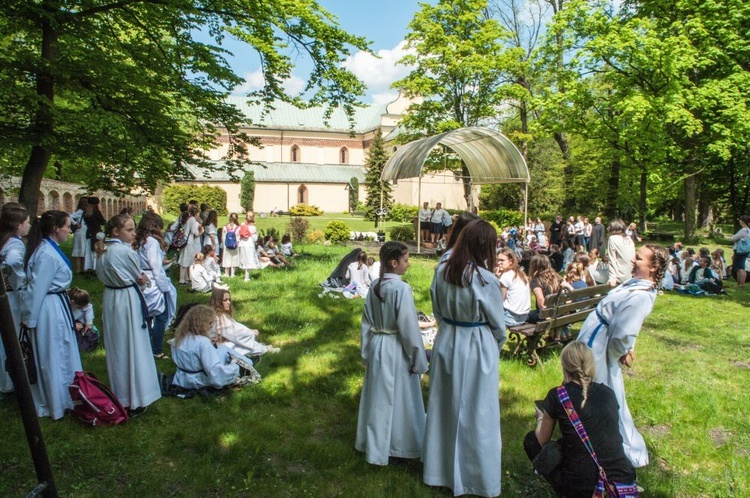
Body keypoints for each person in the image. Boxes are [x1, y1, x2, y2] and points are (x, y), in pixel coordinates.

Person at [423, 219, 506, 497]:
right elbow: (498, 324)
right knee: (477, 410)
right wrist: (495, 345)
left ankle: (440, 470)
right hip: (476, 344)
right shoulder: (485, 279)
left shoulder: (442, 270)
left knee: (445, 404)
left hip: (448, 339)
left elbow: (436, 307)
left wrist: (448, 327)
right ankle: (475, 477)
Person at [576, 244, 669, 468]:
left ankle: (611, 444)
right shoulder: (636, 284)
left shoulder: (642, 296)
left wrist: (618, 352)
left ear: (654, 267)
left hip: (600, 347)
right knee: (591, 391)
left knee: (600, 394)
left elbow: (624, 333)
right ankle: (583, 433)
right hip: (598, 339)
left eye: (638, 258)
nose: (632, 260)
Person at [525, 342, 636, 498]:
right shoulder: (608, 393)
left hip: (582, 484)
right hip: (622, 478)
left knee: (531, 441)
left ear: (564, 366)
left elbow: (541, 441)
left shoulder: (558, 395)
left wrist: (541, 418)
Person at [355, 241, 428, 466]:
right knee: (400, 397)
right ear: (394, 263)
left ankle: (377, 443)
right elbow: (409, 329)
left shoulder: (376, 286)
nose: (409, 264)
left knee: (379, 397)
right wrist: (419, 359)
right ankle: (399, 445)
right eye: (406, 260)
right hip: (396, 348)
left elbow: (366, 323)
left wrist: (367, 351)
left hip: (378, 345)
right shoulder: (400, 289)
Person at [95, 214, 161, 415]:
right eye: (130, 230)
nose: (134, 233)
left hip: (111, 298)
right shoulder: (124, 252)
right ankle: (137, 395)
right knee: (133, 344)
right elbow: (139, 277)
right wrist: (143, 281)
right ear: (116, 231)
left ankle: (122, 392)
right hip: (126, 299)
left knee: (117, 345)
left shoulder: (102, 251)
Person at [21, 210, 82, 419]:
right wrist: (28, 320)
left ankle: (67, 395)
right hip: (49, 309)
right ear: (56, 228)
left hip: (56, 303)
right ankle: (56, 401)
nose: (69, 229)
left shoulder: (49, 248)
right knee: (53, 352)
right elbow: (37, 288)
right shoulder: (46, 253)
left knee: (61, 349)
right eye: (67, 226)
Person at [134, 213, 177, 359]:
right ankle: (156, 350)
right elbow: (156, 267)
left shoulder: (138, 240)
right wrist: (164, 287)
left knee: (148, 314)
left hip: (142, 277)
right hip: (151, 280)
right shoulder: (151, 241)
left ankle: (146, 345)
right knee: (161, 315)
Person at [170, 305, 241, 390]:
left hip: (181, 379)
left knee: (223, 348)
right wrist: (234, 368)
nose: (211, 326)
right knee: (231, 361)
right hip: (198, 381)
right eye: (210, 323)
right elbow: (213, 370)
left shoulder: (179, 338)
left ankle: (248, 361)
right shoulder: (202, 342)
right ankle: (246, 363)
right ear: (200, 323)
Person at [0, 203, 30, 393]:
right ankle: (10, 382)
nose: (28, 225)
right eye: (27, 222)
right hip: (11, 296)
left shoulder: (4, 240)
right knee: (11, 338)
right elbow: (12, 261)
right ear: (18, 225)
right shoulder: (16, 243)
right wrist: (16, 278)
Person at [208, 289, 280, 357]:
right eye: (225, 300)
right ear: (218, 302)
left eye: (229, 300)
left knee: (245, 343)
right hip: (220, 347)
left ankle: (264, 348)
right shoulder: (219, 318)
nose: (228, 302)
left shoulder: (221, 316)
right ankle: (265, 350)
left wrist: (249, 331)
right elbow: (235, 333)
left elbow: (235, 327)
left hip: (222, 344)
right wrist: (250, 333)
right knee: (243, 345)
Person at [496, 247, 531, 328]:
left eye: (502, 260)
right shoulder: (521, 274)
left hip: (509, 317)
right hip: (523, 317)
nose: (499, 263)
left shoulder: (506, 276)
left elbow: (499, 300)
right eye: (498, 260)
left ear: (511, 261)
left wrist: (495, 278)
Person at [527, 254, 563, 324]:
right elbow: (570, 289)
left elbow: (541, 301)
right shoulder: (556, 277)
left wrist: (547, 314)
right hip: (558, 312)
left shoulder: (536, 281)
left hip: (546, 315)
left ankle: (532, 335)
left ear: (533, 266)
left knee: (525, 316)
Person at [68, 287, 100, 351]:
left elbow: (88, 307)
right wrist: (73, 325)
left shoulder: (83, 304)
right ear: (72, 302)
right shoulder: (64, 306)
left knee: (91, 332)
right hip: (69, 324)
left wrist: (89, 323)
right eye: (80, 307)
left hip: (80, 323)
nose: (82, 308)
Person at [606, 219, 636, 287]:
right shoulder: (629, 239)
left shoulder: (612, 238)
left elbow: (612, 260)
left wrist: (612, 278)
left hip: (619, 277)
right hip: (631, 276)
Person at [177, 206, 202, 284]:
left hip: (185, 241)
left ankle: (186, 278)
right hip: (189, 242)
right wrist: (201, 231)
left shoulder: (188, 219)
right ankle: (182, 279)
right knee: (186, 260)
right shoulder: (193, 220)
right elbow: (195, 232)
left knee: (185, 259)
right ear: (196, 213)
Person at [83, 197, 106, 272]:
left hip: (89, 232)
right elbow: (103, 222)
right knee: (98, 250)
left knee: (89, 251)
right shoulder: (96, 212)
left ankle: (90, 267)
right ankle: (96, 268)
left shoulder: (85, 212)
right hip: (97, 233)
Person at [238, 211, 261, 281]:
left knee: (244, 259)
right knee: (249, 260)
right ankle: (247, 277)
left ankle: (246, 275)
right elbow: (255, 239)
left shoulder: (242, 225)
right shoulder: (253, 227)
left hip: (242, 244)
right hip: (249, 244)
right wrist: (256, 233)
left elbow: (239, 234)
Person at [69, 197, 89, 274]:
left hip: (83, 232)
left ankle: (83, 269)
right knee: (78, 250)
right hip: (80, 232)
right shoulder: (80, 211)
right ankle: (78, 270)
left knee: (83, 250)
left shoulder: (84, 211)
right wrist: (75, 223)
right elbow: (70, 216)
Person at [731, 215, 750, 287]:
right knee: (742, 266)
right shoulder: (749, 230)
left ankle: (739, 283)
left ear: (743, 221)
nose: (739, 221)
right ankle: (741, 283)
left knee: (739, 267)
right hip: (746, 250)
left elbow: (733, 238)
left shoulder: (743, 230)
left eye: (740, 220)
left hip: (740, 250)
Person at [221, 213, 240, 277]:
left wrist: (224, 244)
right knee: (234, 258)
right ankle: (233, 273)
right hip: (235, 245)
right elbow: (238, 237)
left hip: (227, 245)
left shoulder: (225, 227)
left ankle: (226, 273)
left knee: (226, 258)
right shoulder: (238, 228)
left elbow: (223, 237)